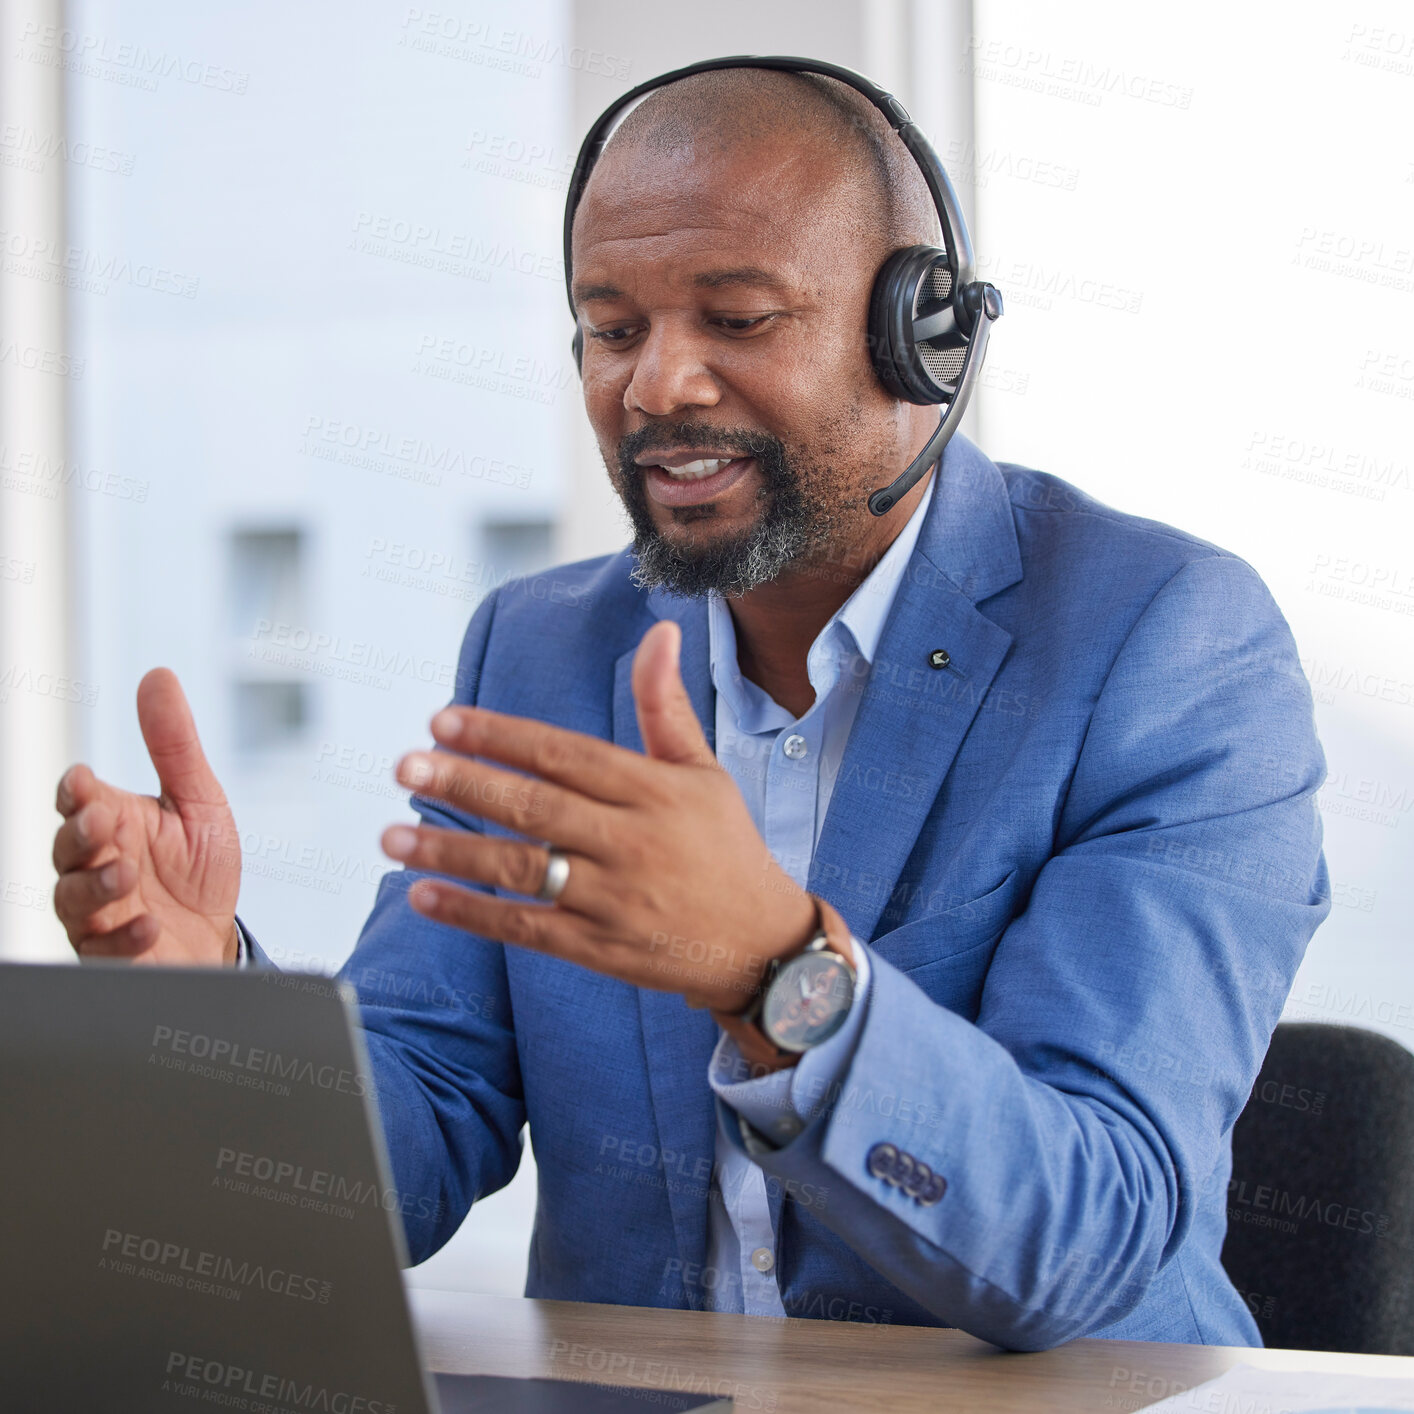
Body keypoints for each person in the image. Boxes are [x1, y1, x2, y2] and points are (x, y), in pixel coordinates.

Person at [50, 63, 1328, 1351]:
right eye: (613, 330)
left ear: (921, 338)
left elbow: (1092, 1233)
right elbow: (423, 1115)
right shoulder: (541, 649)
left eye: (738, 318)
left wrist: (776, 977)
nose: (658, 386)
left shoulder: (1166, 645)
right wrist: (209, 1005)